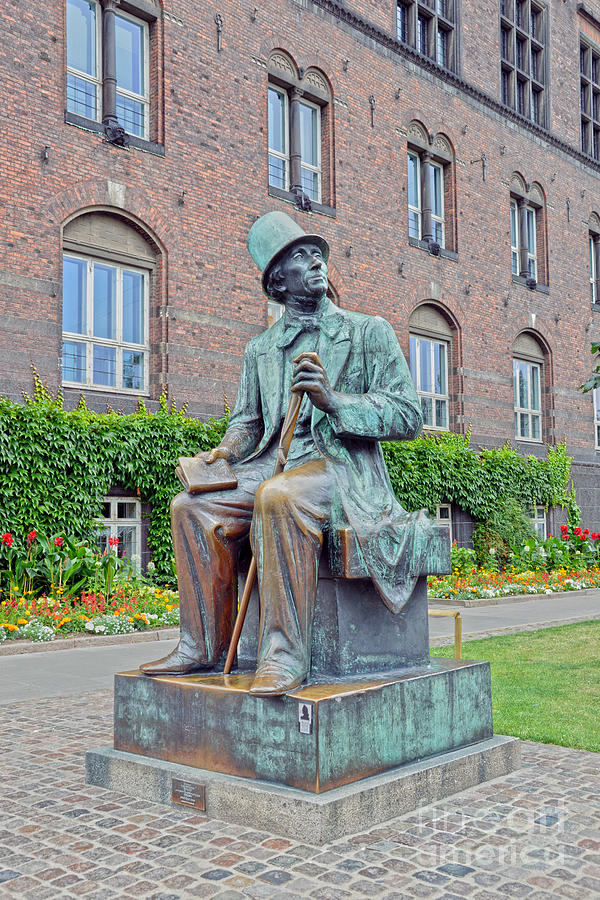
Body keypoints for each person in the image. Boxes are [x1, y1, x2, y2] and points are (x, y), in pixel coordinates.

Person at [141, 211, 432, 695]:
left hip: (340, 470)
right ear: (278, 279)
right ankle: (202, 647)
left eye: (318, 254)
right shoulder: (260, 350)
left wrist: (334, 401)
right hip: (270, 464)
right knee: (190, 506)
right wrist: (225, 452)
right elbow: (247, 423)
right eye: (302, 256)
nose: (317, 261)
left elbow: (407, 416)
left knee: (280, 496)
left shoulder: (367, 332)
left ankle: (283, 655)